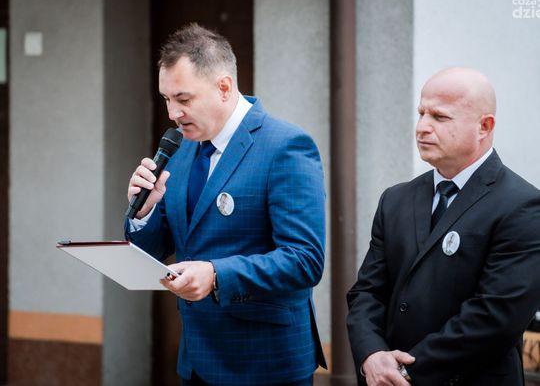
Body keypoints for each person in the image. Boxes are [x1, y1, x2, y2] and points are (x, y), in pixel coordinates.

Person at [125, 23, 326, 385]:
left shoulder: (285, 146)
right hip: (196, 360)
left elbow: (304, 260)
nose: (173, 113)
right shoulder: (180, 149)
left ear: (224, 87)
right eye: (167, 99)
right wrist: (144, 211)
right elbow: (155, 249)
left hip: (265, 363)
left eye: (183, 99)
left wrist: (216, 274)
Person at [347, 67, 540, 386]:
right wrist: (372, 354)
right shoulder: (396, 199)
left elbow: (495, 317)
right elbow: (367, 292)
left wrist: (405, 373)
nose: (422, 127)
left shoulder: (522, 205)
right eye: (421, 113)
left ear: (484, 126)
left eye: (440, 117)